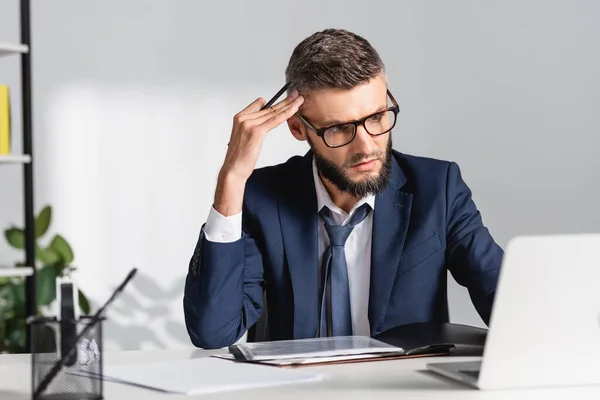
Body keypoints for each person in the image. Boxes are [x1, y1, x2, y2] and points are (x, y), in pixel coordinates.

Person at [183, 29, 504, 349]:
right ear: (298, 127)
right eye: (339, 128)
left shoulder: (438, 189)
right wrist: (232, 178)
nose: (366, 147)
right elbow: (213, 331)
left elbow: (507, 302)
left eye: (377, 117)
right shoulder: (263, 198)